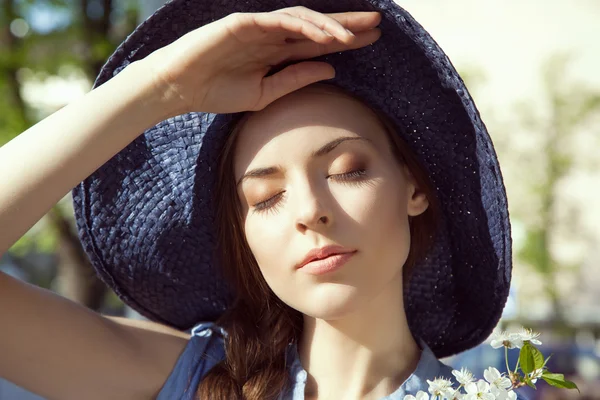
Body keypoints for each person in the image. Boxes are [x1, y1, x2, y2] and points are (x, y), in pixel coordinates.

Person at [0, 0, 517, 399]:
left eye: (346, 170)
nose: (310, 210)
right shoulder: (197, 380)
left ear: (415, 188)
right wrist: (159, 88)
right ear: (243, 238)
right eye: (266, 198)